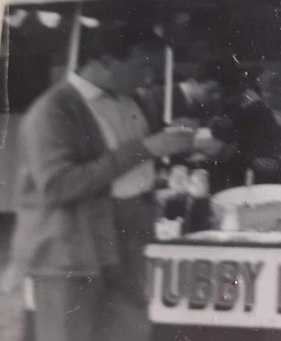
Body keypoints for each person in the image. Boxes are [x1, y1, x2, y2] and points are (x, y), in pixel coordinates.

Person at [1, 26, 196, 341]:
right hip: (69, 251)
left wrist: (161, 168)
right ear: (104, 62)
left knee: (127, 333)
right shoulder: (53, 109)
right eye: (142, 66)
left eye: (154, 69)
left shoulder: (132, 102)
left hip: (124, 244)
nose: (149, 78)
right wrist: (146, 149)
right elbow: (58, 185)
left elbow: (124, 174)